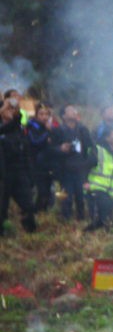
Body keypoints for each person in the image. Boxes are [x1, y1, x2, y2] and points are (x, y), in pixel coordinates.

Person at [51, 105, 95, 221]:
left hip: (81, 168)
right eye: (70, 110)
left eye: (75, 110)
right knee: (67, 196)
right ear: (64, 116)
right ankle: (66, 218)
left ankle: (81, 218)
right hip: (65, 168)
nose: (74, 112)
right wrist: (60, 148)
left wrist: (88, 163)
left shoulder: (82, 129)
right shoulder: (58, 130)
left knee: (81, 196)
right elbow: (51, 148)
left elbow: (89, 147)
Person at [0, 100, 38, 234]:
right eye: (7, 110)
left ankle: (31, 231)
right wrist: (3, 107)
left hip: (19, 171)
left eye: (12, 110)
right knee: (2, 207)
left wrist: (30, 176)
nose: (10, 111)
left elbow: (27, 153)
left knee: (28, 204)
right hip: (3, 174)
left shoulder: (18, 129)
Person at [84, 127, 113, 232]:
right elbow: (85, 166)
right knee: (105, 213)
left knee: (103, 216)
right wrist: (84, 182)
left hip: (112, 190)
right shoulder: (97, 150)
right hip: (96, 187)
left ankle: (88, 231)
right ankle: (110, 233)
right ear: (107, 137)